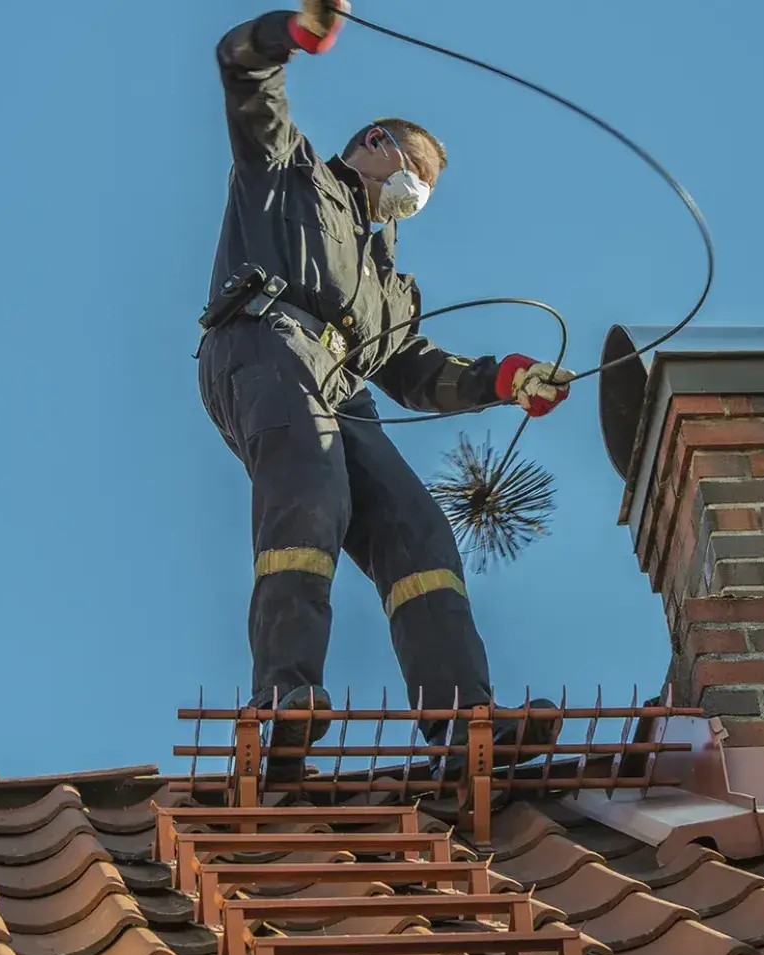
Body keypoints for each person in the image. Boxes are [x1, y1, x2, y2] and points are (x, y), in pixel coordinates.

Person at [198, 1, 575, 780]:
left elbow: (411, 368)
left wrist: (505, 380)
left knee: (418, 531)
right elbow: (241, 67)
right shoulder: (289, 174)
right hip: (264, 341)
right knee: (311, 483)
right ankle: (285, 695)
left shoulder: (389, 287)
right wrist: (293, 34)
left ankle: (463, 722)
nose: (418, 190)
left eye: (428, 185)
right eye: (415, 169)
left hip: (342, 381)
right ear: (374, 144)